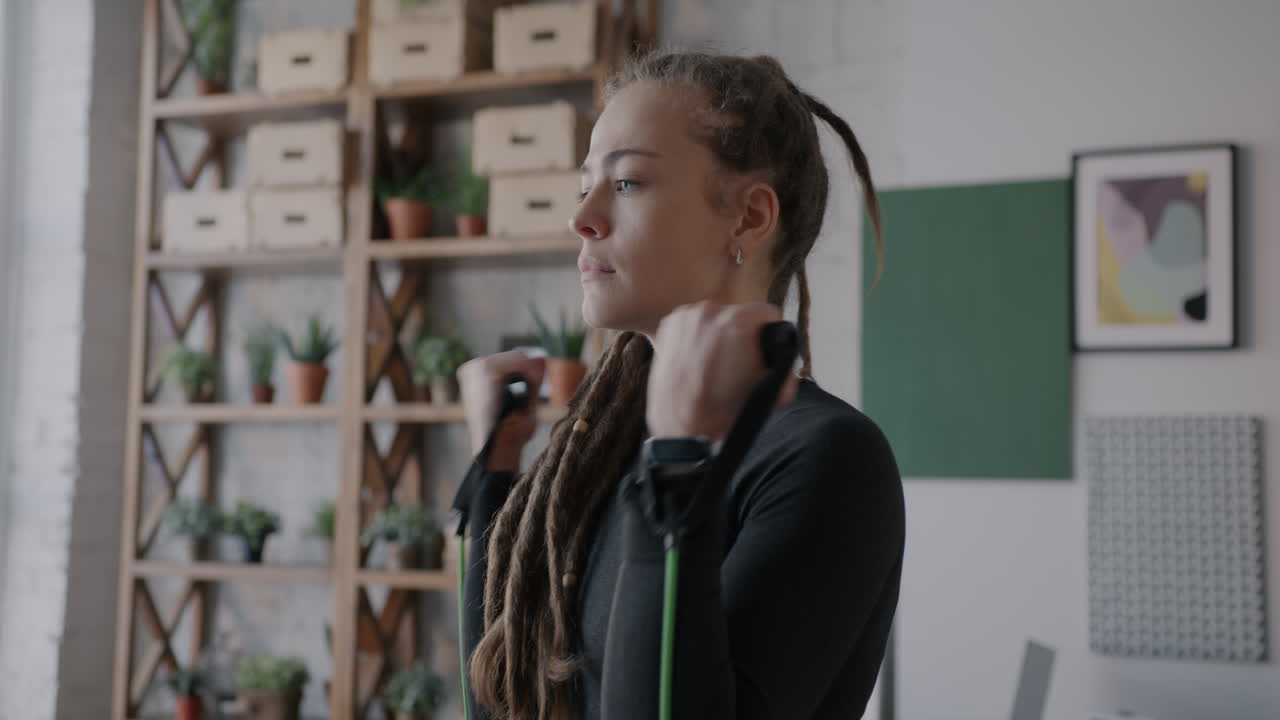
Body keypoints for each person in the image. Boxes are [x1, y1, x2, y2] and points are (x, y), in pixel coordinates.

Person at [453, 49, 905, 720]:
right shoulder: (606, 446)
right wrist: (493, 473)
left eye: (628, 182)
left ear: (750, 218)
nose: (583, 217)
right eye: (585, 184)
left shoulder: (827, 457)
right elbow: (502, 698)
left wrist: (677, 466)